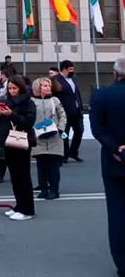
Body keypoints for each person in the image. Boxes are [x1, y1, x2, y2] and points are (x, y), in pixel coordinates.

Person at [90, 58, 125, 277]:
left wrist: (118, 149)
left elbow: (98, 129)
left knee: (117, 213)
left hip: (114, 161)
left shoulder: (101, 95)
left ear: (114, 74)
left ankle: (123, 262)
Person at [0, 75, 37, 221]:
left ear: (21, 88)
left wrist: (11, 115)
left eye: (14, 88)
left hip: (22, 140)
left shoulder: (28, 103)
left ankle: (27, 209)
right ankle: (19, 206)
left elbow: (28, 122)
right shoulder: (7, 101)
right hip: (8, 140)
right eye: (10, 88)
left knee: (23, 176)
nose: (12, 91)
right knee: (14, 176)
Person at [30, 77, 67, 200]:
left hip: (54, 136)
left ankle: (54, 190)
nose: (48, 88)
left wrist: (60, 128)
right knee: (41, 165)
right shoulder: (32, 101)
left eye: (48, 85)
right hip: (38, 137)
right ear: (38, 87)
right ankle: (43, 188)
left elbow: (62, 115)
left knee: (53, 165)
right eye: (45, 86)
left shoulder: (54, 100)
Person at [54, 60, 85, 163]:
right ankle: (64, 154)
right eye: (70, 69)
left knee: (79, 131)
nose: (72, 71)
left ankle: (74, 152)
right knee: (65, 133)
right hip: (65, 111)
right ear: (64, 69)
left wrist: (80, 105)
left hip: (77, 111)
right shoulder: (56, 79)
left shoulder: (74, 78)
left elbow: (76, 93)